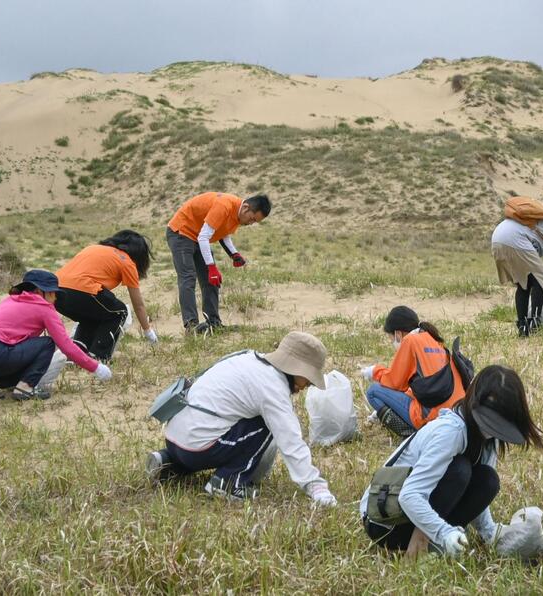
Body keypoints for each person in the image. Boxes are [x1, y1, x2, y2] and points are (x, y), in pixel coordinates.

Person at [360, 364, 543, 557]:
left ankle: (435, 543)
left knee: (488, 479)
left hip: (415, 513)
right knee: (459, 470)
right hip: (385, 523)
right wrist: (444, 532)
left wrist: (491, 533)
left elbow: (479, 490)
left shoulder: (490, 438)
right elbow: (409, 495)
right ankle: (419, 548)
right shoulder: (451, 431)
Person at [146, 331, 337, 505]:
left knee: (223, 423)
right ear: (295, 369)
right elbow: (290, 440)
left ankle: (168, 463)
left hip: (174, 439)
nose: (308, 385)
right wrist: (315, 486)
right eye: (308, 378)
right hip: (199, 448)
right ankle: (228, 484)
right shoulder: (272, 388)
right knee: (265, 424)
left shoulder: (247, 358)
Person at [0, 270, 112, 400]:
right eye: (52, 292)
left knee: (19, 349)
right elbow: (66, 346)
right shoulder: (44, 308)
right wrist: (96, 367)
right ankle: (25, 388)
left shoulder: (10, 301)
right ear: (40, 292)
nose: (55, 297)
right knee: (47, 343)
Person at [166, 192, 271, 334]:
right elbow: (204, 237)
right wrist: (212, 267)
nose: (251, 223)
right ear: (246, 208)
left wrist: (234, 254)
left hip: (198, 236)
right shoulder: (224, 206)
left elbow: (223, 232)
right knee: (188, 278)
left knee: (212, 281)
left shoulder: (237, 213)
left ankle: (213, 323)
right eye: (252, 219)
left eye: (255, 222)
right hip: (181, 232)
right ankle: (191, 327)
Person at [361, 306, 466, 437]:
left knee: (373, 392)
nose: (392, 342)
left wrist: (375, 371)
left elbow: (395, 383)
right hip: (457, 413)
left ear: (398, 334)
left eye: (391, 338)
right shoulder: (435, 340)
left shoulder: (410, 341)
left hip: (432, 416)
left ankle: (411, 434)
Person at [55, 230, 157, 361]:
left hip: (55, 293)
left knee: (93, 316)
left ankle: (76, 356)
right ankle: (99, 356)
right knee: (119, 311)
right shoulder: (127, 261)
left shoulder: (93, 248)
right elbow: (139, 305)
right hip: (82, 290)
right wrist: (148, 331)